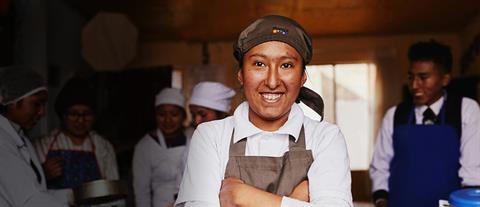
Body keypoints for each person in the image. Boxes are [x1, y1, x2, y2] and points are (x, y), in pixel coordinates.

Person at [175, 15, 353, 207]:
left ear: (302, 77)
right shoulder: (211, 136)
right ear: (241, 74)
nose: (272, 81)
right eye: (259, 64)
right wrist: (296, 200)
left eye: (286, 65)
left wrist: (243, 197)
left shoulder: (326, 138)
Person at [369, 40, 480, 207]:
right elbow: (380, 166)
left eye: (423, 77)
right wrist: (381, 201)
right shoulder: (394, 115)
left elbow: (473, 170)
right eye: (411, 77)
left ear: (445, 79)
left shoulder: (466, 110)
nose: (414, 85)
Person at [33, 77, 120, 206]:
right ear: (63, 116)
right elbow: (29, 192)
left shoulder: (103, 146)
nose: (80, 120)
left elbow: (114, 192)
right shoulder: (42, 145)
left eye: (87, 114)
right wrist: (43, 174)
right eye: (73, 114)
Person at [0, 67, 67, 207]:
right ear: (11, 101)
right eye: (36, 104)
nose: (42, 112)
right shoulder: (2, 142)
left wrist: (75, 195)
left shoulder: (20, 136)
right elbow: (30, 200)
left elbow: (38, 191)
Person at [133, 88, 194, 207]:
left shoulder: (193, 137)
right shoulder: (145, 146)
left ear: (183, 116)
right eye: (162, 114)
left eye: (174, 114)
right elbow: (141, 191)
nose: (168, 120)